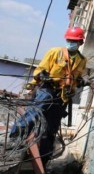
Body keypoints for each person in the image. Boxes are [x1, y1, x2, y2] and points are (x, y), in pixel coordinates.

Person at [10, 27, 88, 164]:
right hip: (47, 90)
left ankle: (44, 156)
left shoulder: (81, 60)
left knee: (51, 126)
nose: (71, 42)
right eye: (69, 40)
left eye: (74, 41)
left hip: (62, 96)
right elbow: (40, 70)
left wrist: (80, 81)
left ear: (80, 43)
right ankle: (14, 137)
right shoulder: (55, 52)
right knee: (35, 113)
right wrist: (43, 75)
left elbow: (77, 77)